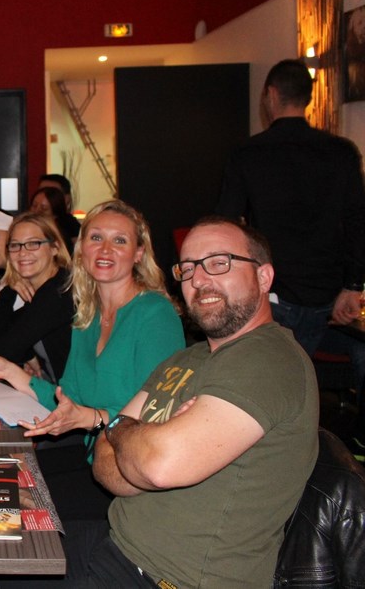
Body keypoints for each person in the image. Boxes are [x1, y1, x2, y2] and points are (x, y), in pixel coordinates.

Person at [88, 217, 318, 588]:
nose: (199, 279)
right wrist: (140, 444)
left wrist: (129, 434)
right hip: (118, 548)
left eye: (219, 262)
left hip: (171, 579)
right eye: (189, 267)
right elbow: (104, 458)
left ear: (263, 277)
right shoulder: (187, 358)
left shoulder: (270, 358)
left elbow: (158, 464)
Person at [0, 199, 184, 523]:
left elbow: (159, 417)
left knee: (3, 509)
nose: (105, 249)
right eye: (96, 238)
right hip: (91, 459)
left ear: (139, 253)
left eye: (119, 240)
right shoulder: (87, 316)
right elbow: (67, 400)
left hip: (132, 481)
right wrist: (12, 372)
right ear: (81, 248)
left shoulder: (155, 314)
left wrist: (90, 418)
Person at [217, 59, 365, 357]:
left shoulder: (248, 154)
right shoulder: (342, 152)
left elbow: (226, 224)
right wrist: (353, 285)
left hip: (274, 291)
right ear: (307, 97)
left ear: (271, 94)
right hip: (329, 295)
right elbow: (357, 222)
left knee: (273, 367)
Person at [0, 213, 74, 384]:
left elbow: (5, 350)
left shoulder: (60, 291)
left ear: (54, 247)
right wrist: (10, 288)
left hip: (75, 397)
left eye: (33, 243)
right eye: (15, 245)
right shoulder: (44, 289)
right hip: (58, 390)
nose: (22, 253)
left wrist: (24, 353)